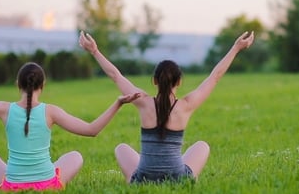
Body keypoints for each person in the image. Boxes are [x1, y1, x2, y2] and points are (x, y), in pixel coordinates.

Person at [0, 62, 140, 191]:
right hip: (48, 185)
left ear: (18, 84)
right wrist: (118, 103)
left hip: (12, 187)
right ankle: (40, 178)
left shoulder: (4, 109)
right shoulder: (50, 111)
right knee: (75, 155)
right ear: (42, 86)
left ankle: (18, 178)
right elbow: (92, 130)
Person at [79, 30, 255, 183]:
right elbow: (215, 76)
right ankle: (188, 181)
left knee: (121, 148)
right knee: (202, 146)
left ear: (155, 81)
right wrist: (236, 48)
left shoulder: (143, 101)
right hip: (177, 177)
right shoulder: (185, 106)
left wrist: (94, 51)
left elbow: (115, 76)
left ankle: (135, 180)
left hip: (144, 178)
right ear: (179, 81)